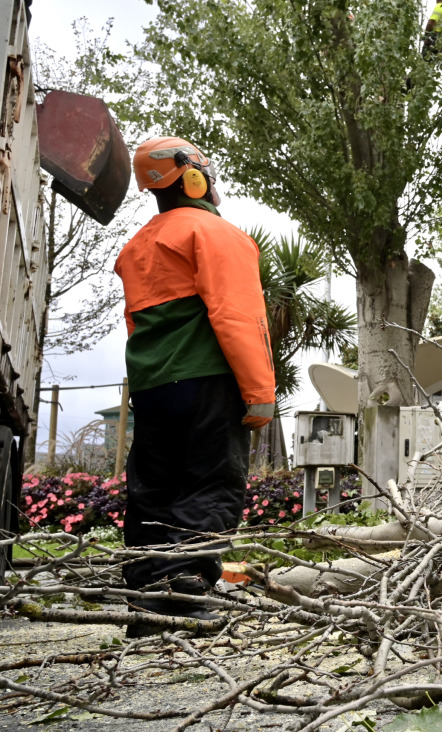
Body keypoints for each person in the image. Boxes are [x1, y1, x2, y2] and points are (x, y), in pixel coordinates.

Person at [114, 137, 275, 636]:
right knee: (210, 484)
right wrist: (259, 393)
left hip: (153, 386)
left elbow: (137, 324)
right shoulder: (217, 235)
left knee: (153, 490)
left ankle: (147, 602)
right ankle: (182, 592)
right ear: (193, 177)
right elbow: (237, 317)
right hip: (206, 379)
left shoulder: (137, 246)